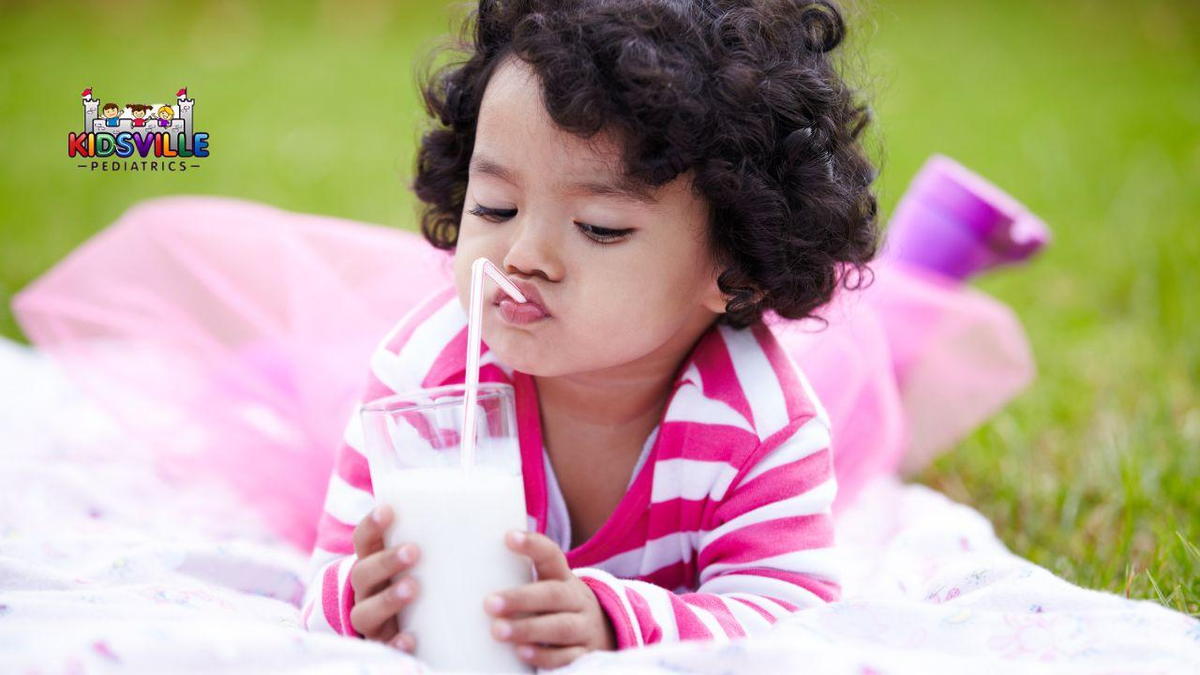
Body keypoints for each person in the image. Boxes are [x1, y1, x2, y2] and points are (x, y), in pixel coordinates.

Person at [301, 0, 877, 668]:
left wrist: (613, 622)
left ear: (735, 262)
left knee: (880, 411)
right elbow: (323, 584)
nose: (521, 255)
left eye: (600, 226)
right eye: (494, 206)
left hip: (779, 412)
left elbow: (792, 617)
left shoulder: (760, 425)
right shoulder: (421, 379)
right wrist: (358, 599)